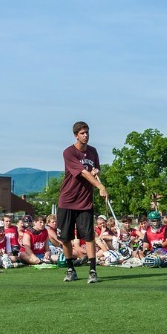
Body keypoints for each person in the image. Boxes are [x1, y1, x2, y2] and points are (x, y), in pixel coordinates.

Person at [58, 121, 108, 284]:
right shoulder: (69, 152)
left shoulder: (93, 152)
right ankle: (70, 268)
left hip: (85, 201)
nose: (85, 135)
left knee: (89, 237)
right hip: (67, 200)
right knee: (65, 238)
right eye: (82, 133)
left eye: (87, 132)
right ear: (76, 135)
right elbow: (84, 173)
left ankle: (93, 271)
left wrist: (97, 172)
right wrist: (100, 185)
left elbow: (95, 169)